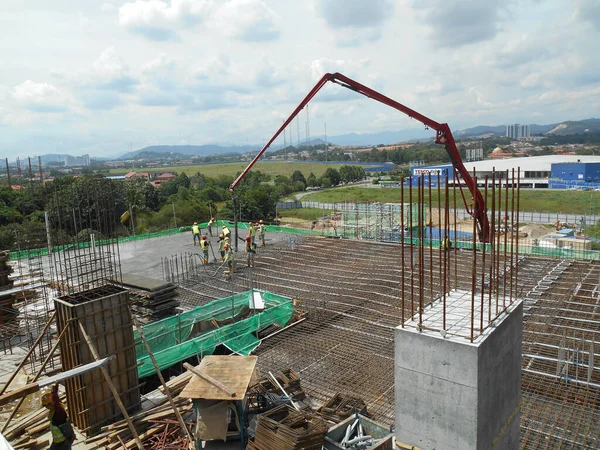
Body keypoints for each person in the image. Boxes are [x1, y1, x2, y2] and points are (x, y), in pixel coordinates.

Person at [42, 383, 75, 450]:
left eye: (47, 406)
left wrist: (53, 392)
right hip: (58, 441)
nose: (47, 408)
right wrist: (55, 388)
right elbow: (56, 399)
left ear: (51, 404)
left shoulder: (59, 411)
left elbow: (55, 402)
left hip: (64, 441)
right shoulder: (55, 410)